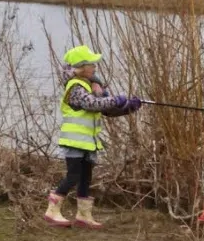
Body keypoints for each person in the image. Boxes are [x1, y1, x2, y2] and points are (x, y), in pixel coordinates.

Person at [44, 45, 142, 229]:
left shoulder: (92, 86)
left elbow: (105, 109)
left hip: (89, 143)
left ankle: (83, 216)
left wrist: (129, 107)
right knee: (73, 176)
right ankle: (52, 211)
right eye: (92, 64)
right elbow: (92, 104)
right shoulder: (75, 87)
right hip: (74, 141)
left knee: (85, 178)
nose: (95, 67)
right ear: (81, 67)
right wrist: (114, 99)